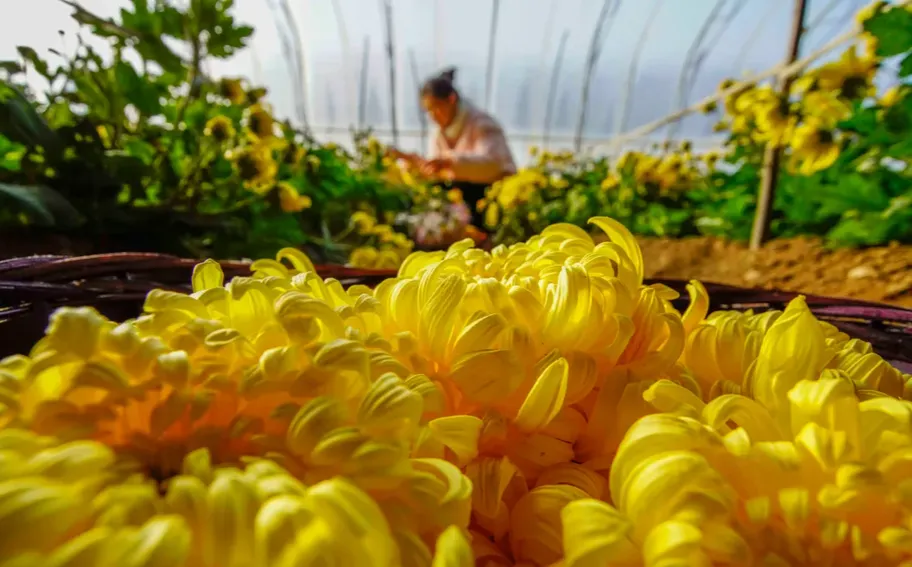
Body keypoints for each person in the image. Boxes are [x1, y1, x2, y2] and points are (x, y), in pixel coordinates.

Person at [388, 67, 517, 230]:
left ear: (451, 99)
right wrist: (411, 161)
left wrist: (449, 161)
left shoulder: (482, 123)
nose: (433, 115)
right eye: (429, 110)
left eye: (437, 107)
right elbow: (436, 169)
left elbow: (492, 164)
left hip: (494, 199)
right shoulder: (439, 133)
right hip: (464, 200)